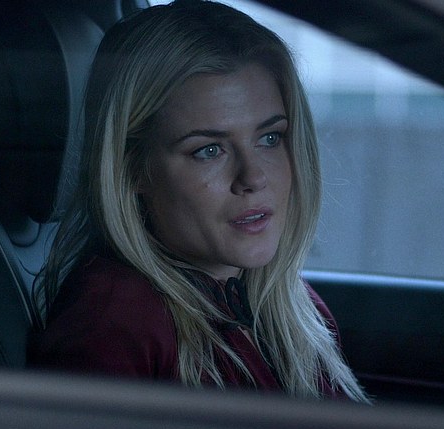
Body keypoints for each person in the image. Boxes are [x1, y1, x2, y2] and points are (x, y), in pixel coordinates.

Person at [30, 0, 369, 402]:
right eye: (208, 150)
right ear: (132, 169)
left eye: (269, 138)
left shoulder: (288, 304)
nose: (253, 177)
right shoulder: (113, 327)